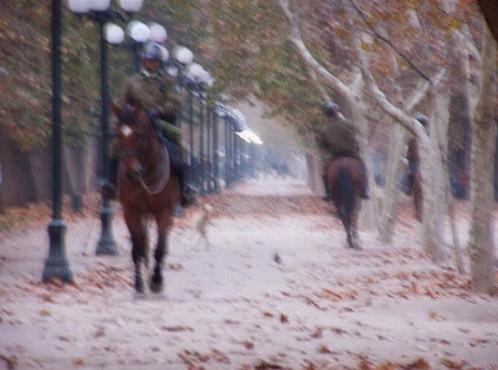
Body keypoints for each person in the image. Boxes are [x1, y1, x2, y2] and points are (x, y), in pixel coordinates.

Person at [104, 41, 195, 206]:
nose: (150, 64)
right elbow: (119, 103)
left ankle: (184, 191)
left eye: (153, 61)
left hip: (161, 123)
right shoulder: (131, 82)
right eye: (147, 60)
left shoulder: (167, 81)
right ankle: (111, 184)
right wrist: (116, 124)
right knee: (116, 147)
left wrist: (159, 110)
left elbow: (174, 103)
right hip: (136, 123)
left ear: (159, 63)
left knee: (180, 150)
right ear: (143, 62)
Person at [317, 100, 369, 200]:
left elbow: (323, 146)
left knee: (325, 172)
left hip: (335, 154)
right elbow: (357, 134)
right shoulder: (348, 123)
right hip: (351, 153)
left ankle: (328, 193)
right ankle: (364, 190)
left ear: (326, 114)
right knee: (362, 167)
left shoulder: (324, 129)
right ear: (337, 111)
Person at [405, 112, 428, 221]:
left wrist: (409, 156)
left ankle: (408, 189)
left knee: (410, 174)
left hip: (417, 164)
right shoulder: (429, 137)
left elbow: (409, 155)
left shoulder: (412, 139)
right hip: (427, 164)